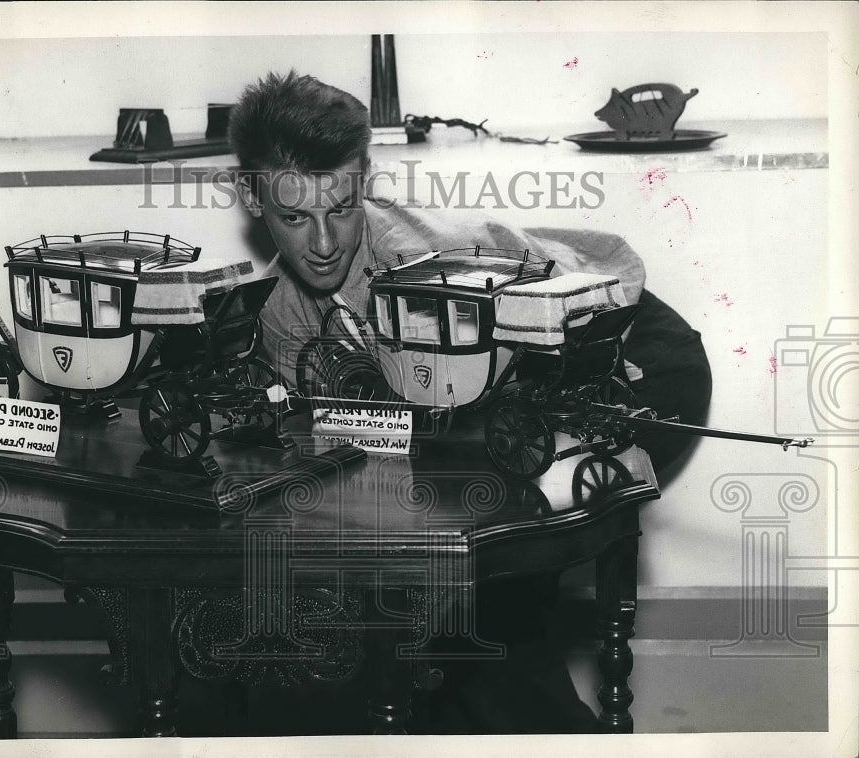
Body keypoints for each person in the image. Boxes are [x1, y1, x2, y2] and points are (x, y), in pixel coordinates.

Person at [226, 70, 712, 733]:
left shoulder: (429, 260)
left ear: (363, 181)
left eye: (340, 209)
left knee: (486, 588)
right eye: (294, 217)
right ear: (252, 198)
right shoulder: (282, 315)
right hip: (499, 397)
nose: (321, 243)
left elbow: (539, 374)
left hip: (633, 348)